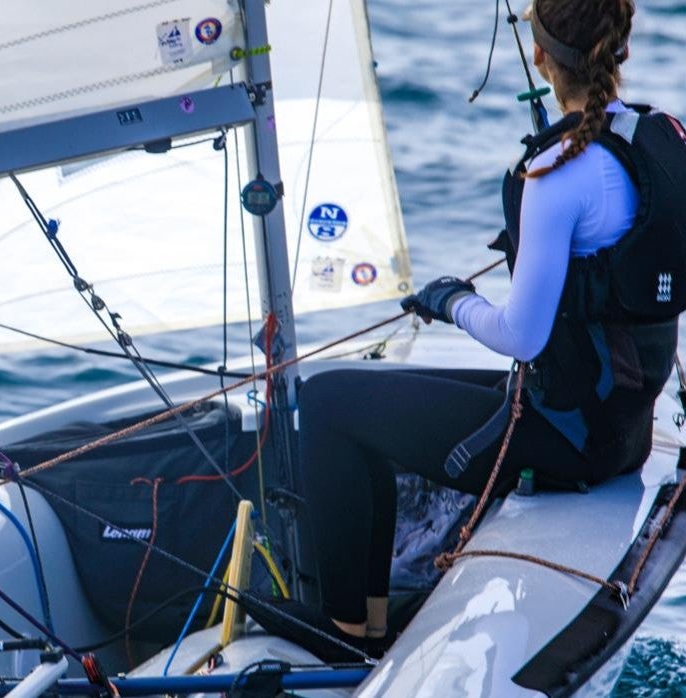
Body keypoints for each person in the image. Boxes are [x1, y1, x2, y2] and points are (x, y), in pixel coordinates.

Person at [267, 0, 686, 662]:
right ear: (621, 49)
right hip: (619, 425)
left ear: (542, 57)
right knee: (370, 394)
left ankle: (348, 631)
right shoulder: (656, 136)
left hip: (567, 437)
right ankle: (372, 619)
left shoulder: (555, 171)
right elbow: (620, 263)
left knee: (327, 405)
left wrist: (451, 301)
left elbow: (521, 335)